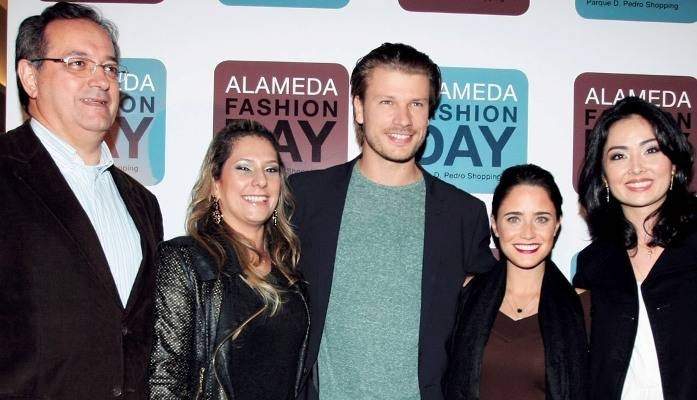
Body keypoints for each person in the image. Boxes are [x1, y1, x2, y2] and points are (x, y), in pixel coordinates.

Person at [289, 42, 496, 400]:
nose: (403, 120)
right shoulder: (305, 197)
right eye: (387, 102)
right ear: (358, 108)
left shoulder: (463, 215)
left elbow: (486, 323)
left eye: (416, 104)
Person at [0, 3, 163, 399]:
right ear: (30, 77)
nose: (100, 80)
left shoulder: (142, 203)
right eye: (77, 63)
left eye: (109, 68)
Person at [148, 120, 309, 400]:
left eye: (271, 170)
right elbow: (164, 380)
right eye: (244, 167)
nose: (260, 181)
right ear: (215, 184)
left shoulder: (290, 271)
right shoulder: (187, 262)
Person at [575, 96, 697, 399]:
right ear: (603, 176)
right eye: (618, 156)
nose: (636, 168)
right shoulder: (593, 264)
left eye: (651, 150)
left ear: (673, 165)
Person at [444, 164, 588, 400]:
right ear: (495, 224)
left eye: (541, 219)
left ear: (557, 224)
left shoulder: (584, 307)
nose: (528, 233)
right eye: (513, 219)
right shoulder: (463, 296)